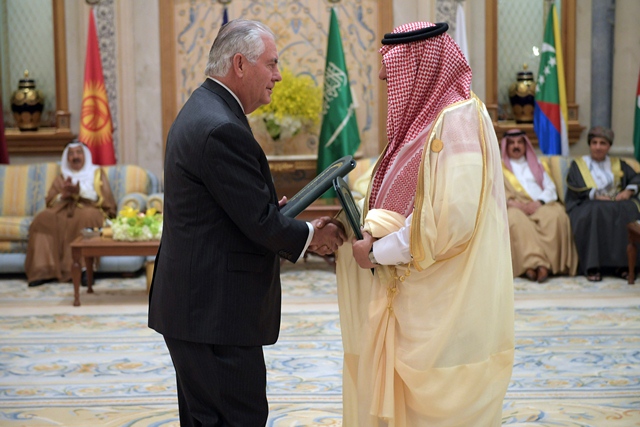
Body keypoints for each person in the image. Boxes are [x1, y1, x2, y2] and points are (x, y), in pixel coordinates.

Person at [147, 19, 346, 426]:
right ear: (240, 64)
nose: (278, 75)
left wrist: (274, 214)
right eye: (272, 64)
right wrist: (313, 234)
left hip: (199, 310)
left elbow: (235, 211)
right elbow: (258, 222)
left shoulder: (206, 108)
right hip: (214, 316)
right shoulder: (221, 126)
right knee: (239, 417)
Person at [334, 22, 514, 427]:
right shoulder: (427, 125)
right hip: (409, 296)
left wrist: (377, 250)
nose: (382, 76)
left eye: (390, 67)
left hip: (439, 304)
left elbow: (451, 222)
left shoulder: (458, 124)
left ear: (419, 65)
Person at [24, 141, 117, 287]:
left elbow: (105, 199)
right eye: (71, 154)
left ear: (85, 155)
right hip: (64, 208)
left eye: (79, 153)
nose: (75, 157)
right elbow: (51, 200)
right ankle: (44, 270)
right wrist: (64, 194)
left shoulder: (96, 173)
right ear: (67, 158)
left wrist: (80, 192)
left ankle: (85, 271)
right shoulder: (62, 176)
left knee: (86, 217)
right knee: (42, 219)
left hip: (89, 207)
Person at [501, 129, 578, 282]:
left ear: (525, 145)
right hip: (515, 206)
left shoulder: (537, 165)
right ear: (506, 147)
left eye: (519, 142)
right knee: (515, 221)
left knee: (556, 217)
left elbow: (550, 188)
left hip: (539, 204)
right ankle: (532, 265)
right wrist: (512, 203)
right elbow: (494, 192)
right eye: (512, 143)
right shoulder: (498, 168)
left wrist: (539, 202)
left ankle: (546, 266)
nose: (516, 146)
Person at [565, 126, 640, 281]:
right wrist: (596, 195)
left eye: (602, 143)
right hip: (587, 202)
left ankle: (623, 266)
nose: (598, 147)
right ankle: (593, 266)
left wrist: (628, 191)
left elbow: (636, 178)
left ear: (609, 146)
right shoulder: (579, 164)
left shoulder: (618, 163)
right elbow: (575, 186)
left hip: (616, 202)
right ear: (590, 145)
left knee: (629, 208)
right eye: (594, 143)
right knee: (596, 211)